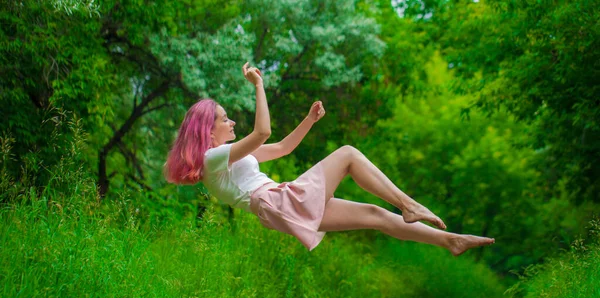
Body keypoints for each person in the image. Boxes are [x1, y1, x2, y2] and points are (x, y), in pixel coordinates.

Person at [164, 62, 495, 255]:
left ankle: (449, 241)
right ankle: (409, 205)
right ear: (208, 130)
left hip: (279, 202)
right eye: (225, 119)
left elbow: (280, 148)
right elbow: (262, 132)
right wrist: (259, 84)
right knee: (348, 154)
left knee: (375, 215)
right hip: (277, 201)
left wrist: (309, 120)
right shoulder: (213, 158)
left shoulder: (225, 159)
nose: (232, 122)